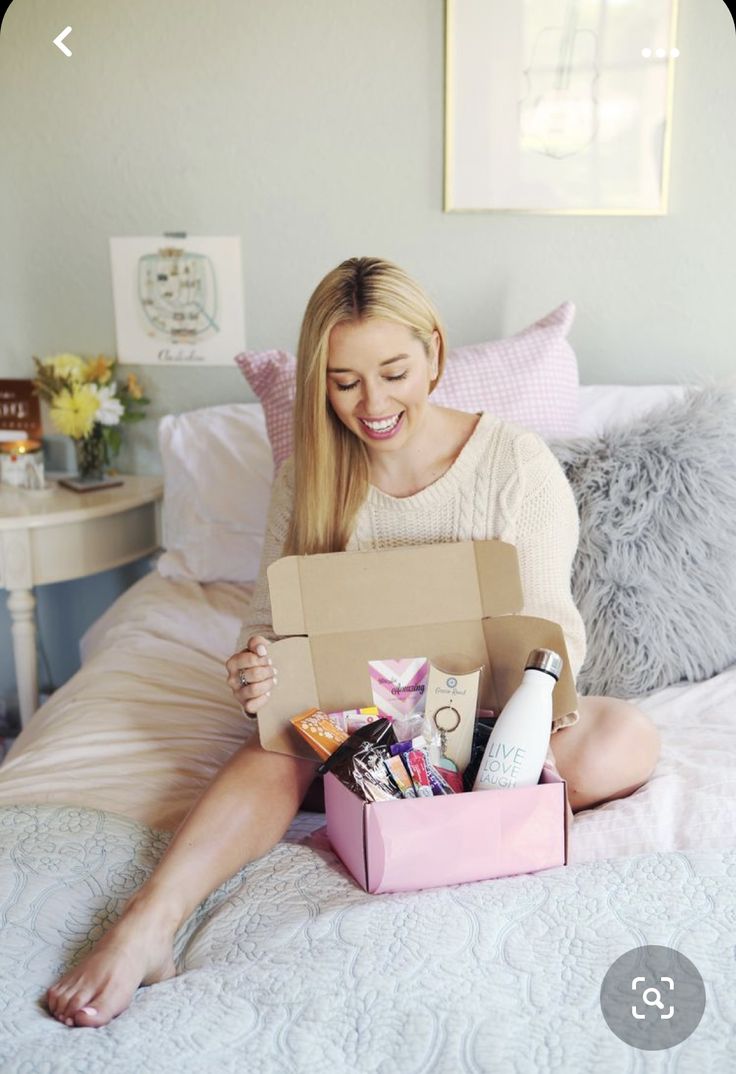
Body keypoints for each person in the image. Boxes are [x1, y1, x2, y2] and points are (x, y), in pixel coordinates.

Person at [46, 256, 660, 1028]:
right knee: (275, 746)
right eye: (344, 382)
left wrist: (524, 700)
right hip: (350, 735)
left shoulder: (515, 466)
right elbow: (270, 627)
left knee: (623, 739)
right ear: (319, 380)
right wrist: (258, 670)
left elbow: (553, 635)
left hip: (484, 726)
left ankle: (441, 803)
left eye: (394, 371)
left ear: (434, 352)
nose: (372, 403)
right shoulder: (308, 475)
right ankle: (149, 923)